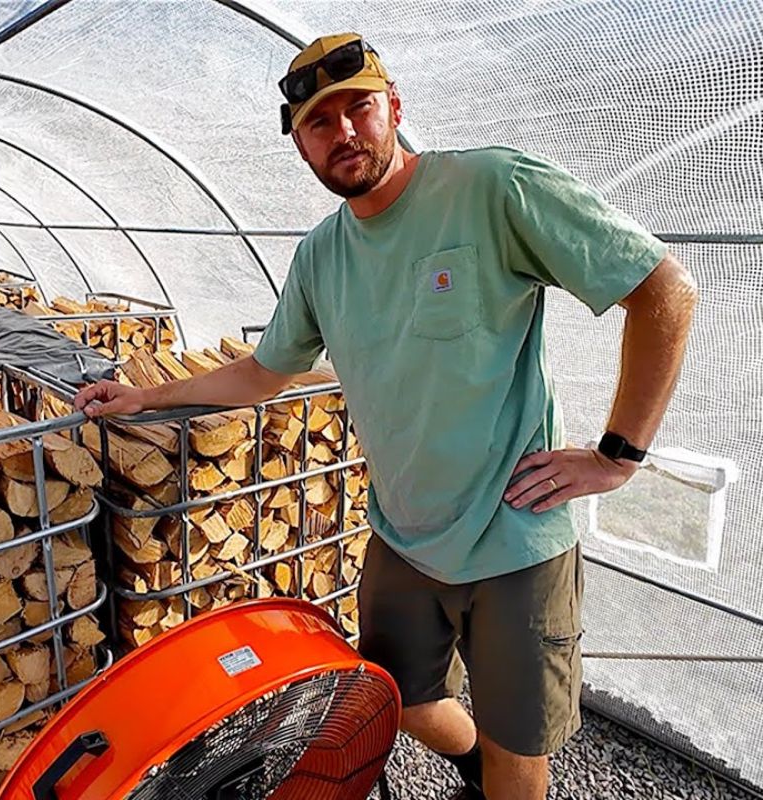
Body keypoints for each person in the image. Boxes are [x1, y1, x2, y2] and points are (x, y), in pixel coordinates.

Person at [73, 32, 698, 800]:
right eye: (318, 123)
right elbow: (266, 372)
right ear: (300, 145)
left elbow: (663, 290)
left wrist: (616, 456)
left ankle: (497, 771)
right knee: (401, 699)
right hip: (402, 538)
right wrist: (145, 398)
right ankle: (477, 770)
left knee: (518, 745)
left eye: (357, 107)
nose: (342, 133)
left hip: (517, 537)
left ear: (393, 108)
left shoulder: (490, 188)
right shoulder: (321, 256)